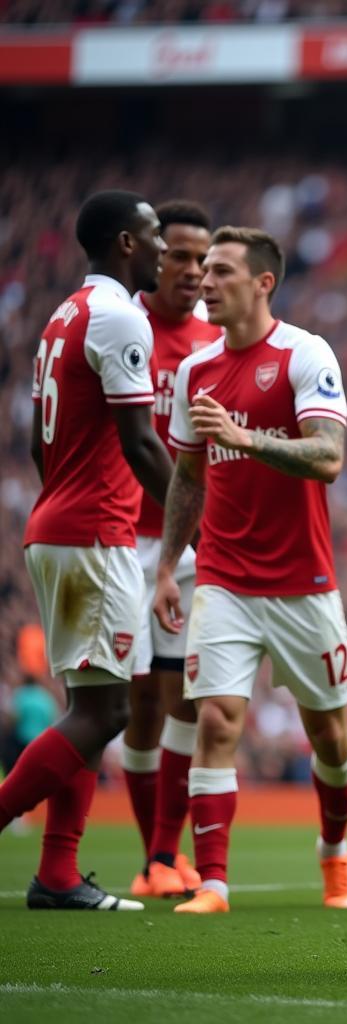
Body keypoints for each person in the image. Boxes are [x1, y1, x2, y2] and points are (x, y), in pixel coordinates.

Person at [153, 226, 347, 915]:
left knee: (329, 736)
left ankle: (334, 848)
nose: (204, 282)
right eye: (203, 270)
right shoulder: (196, 371)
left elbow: (329, 458)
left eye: (220, 271)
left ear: (262, 282)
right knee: (216, 720)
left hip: (304, 581)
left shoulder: (304, 353)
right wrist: (164, 569)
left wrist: (245, 438)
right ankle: (212, 882)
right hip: (222, 576)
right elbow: (187, 479)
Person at [0, 190, 172, 910]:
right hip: (94, 532)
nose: (162, 246)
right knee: (105, 713)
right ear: (126, 243)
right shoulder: (118, 315)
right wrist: (204, 519)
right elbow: (138, 440)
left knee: (90, 705)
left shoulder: (68, 313)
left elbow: (48, 443)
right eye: (154, 233)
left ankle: (59, 874)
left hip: (61, 522)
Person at [122, 200, 222, 899]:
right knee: (136, 704)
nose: (192, 271)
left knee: (185, 697)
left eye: (204, 260)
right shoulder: (119, 324)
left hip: (190, 544)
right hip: (120, 540)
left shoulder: (215, 339)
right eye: (179, 255)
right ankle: (152, 852)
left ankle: (163, 855)